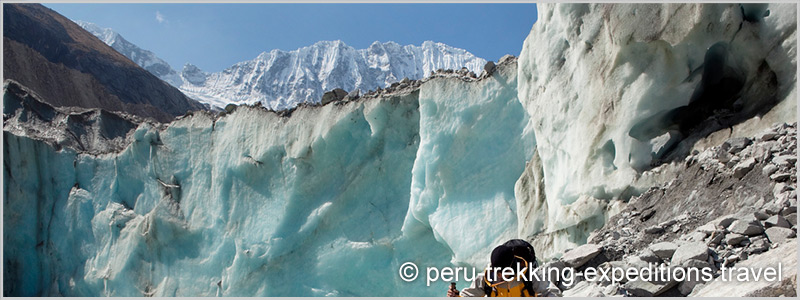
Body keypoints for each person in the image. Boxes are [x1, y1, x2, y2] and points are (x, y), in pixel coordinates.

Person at [447, 239, 562, 297]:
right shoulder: (486, 279)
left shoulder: (527, 275)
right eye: (496, 270)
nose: (498, 275)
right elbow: (469, 295)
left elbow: (551, 291)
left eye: (501, 271)